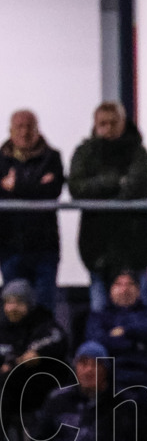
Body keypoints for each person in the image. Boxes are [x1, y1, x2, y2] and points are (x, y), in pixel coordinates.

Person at [68, 101, 147, 312]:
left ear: (123, 123)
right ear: (95, 125)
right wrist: (114, 181)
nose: (108, 128)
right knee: (99, 310)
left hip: (135, 242)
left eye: (113, 123)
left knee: (140, 309)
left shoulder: (137, 151)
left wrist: (99, 190)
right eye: (103, 123)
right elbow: (77, 188)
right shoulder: (84, 153)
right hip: (97, 244)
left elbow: (141, 186)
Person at [0, 109, 64, 311]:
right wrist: (36, 186)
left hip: (44, 246)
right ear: (10, 130)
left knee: (44, 308)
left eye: (29, 127)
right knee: (14, 308)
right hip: (10, 245)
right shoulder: (0, 160)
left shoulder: (52, 158)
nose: (25, 132)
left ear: (38, 129)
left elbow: (52, 191)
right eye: (19, 127)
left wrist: (15, 187)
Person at [84, 268, 147, 411]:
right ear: (110, 290)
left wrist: (125, 331)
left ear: (139, 290)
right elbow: (97, 341)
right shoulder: (99, 317)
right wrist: (136, 341)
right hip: (113, 376)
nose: (124, 289)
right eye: (119, 284)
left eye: (130, 284)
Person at [0, 279, 69, 441]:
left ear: (29, 304)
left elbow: (57, 340)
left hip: (37, 388)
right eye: (8, 303)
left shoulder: (43, 322)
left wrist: (33, 354)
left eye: (18, 303)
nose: (12, 308)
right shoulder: (3, 327)